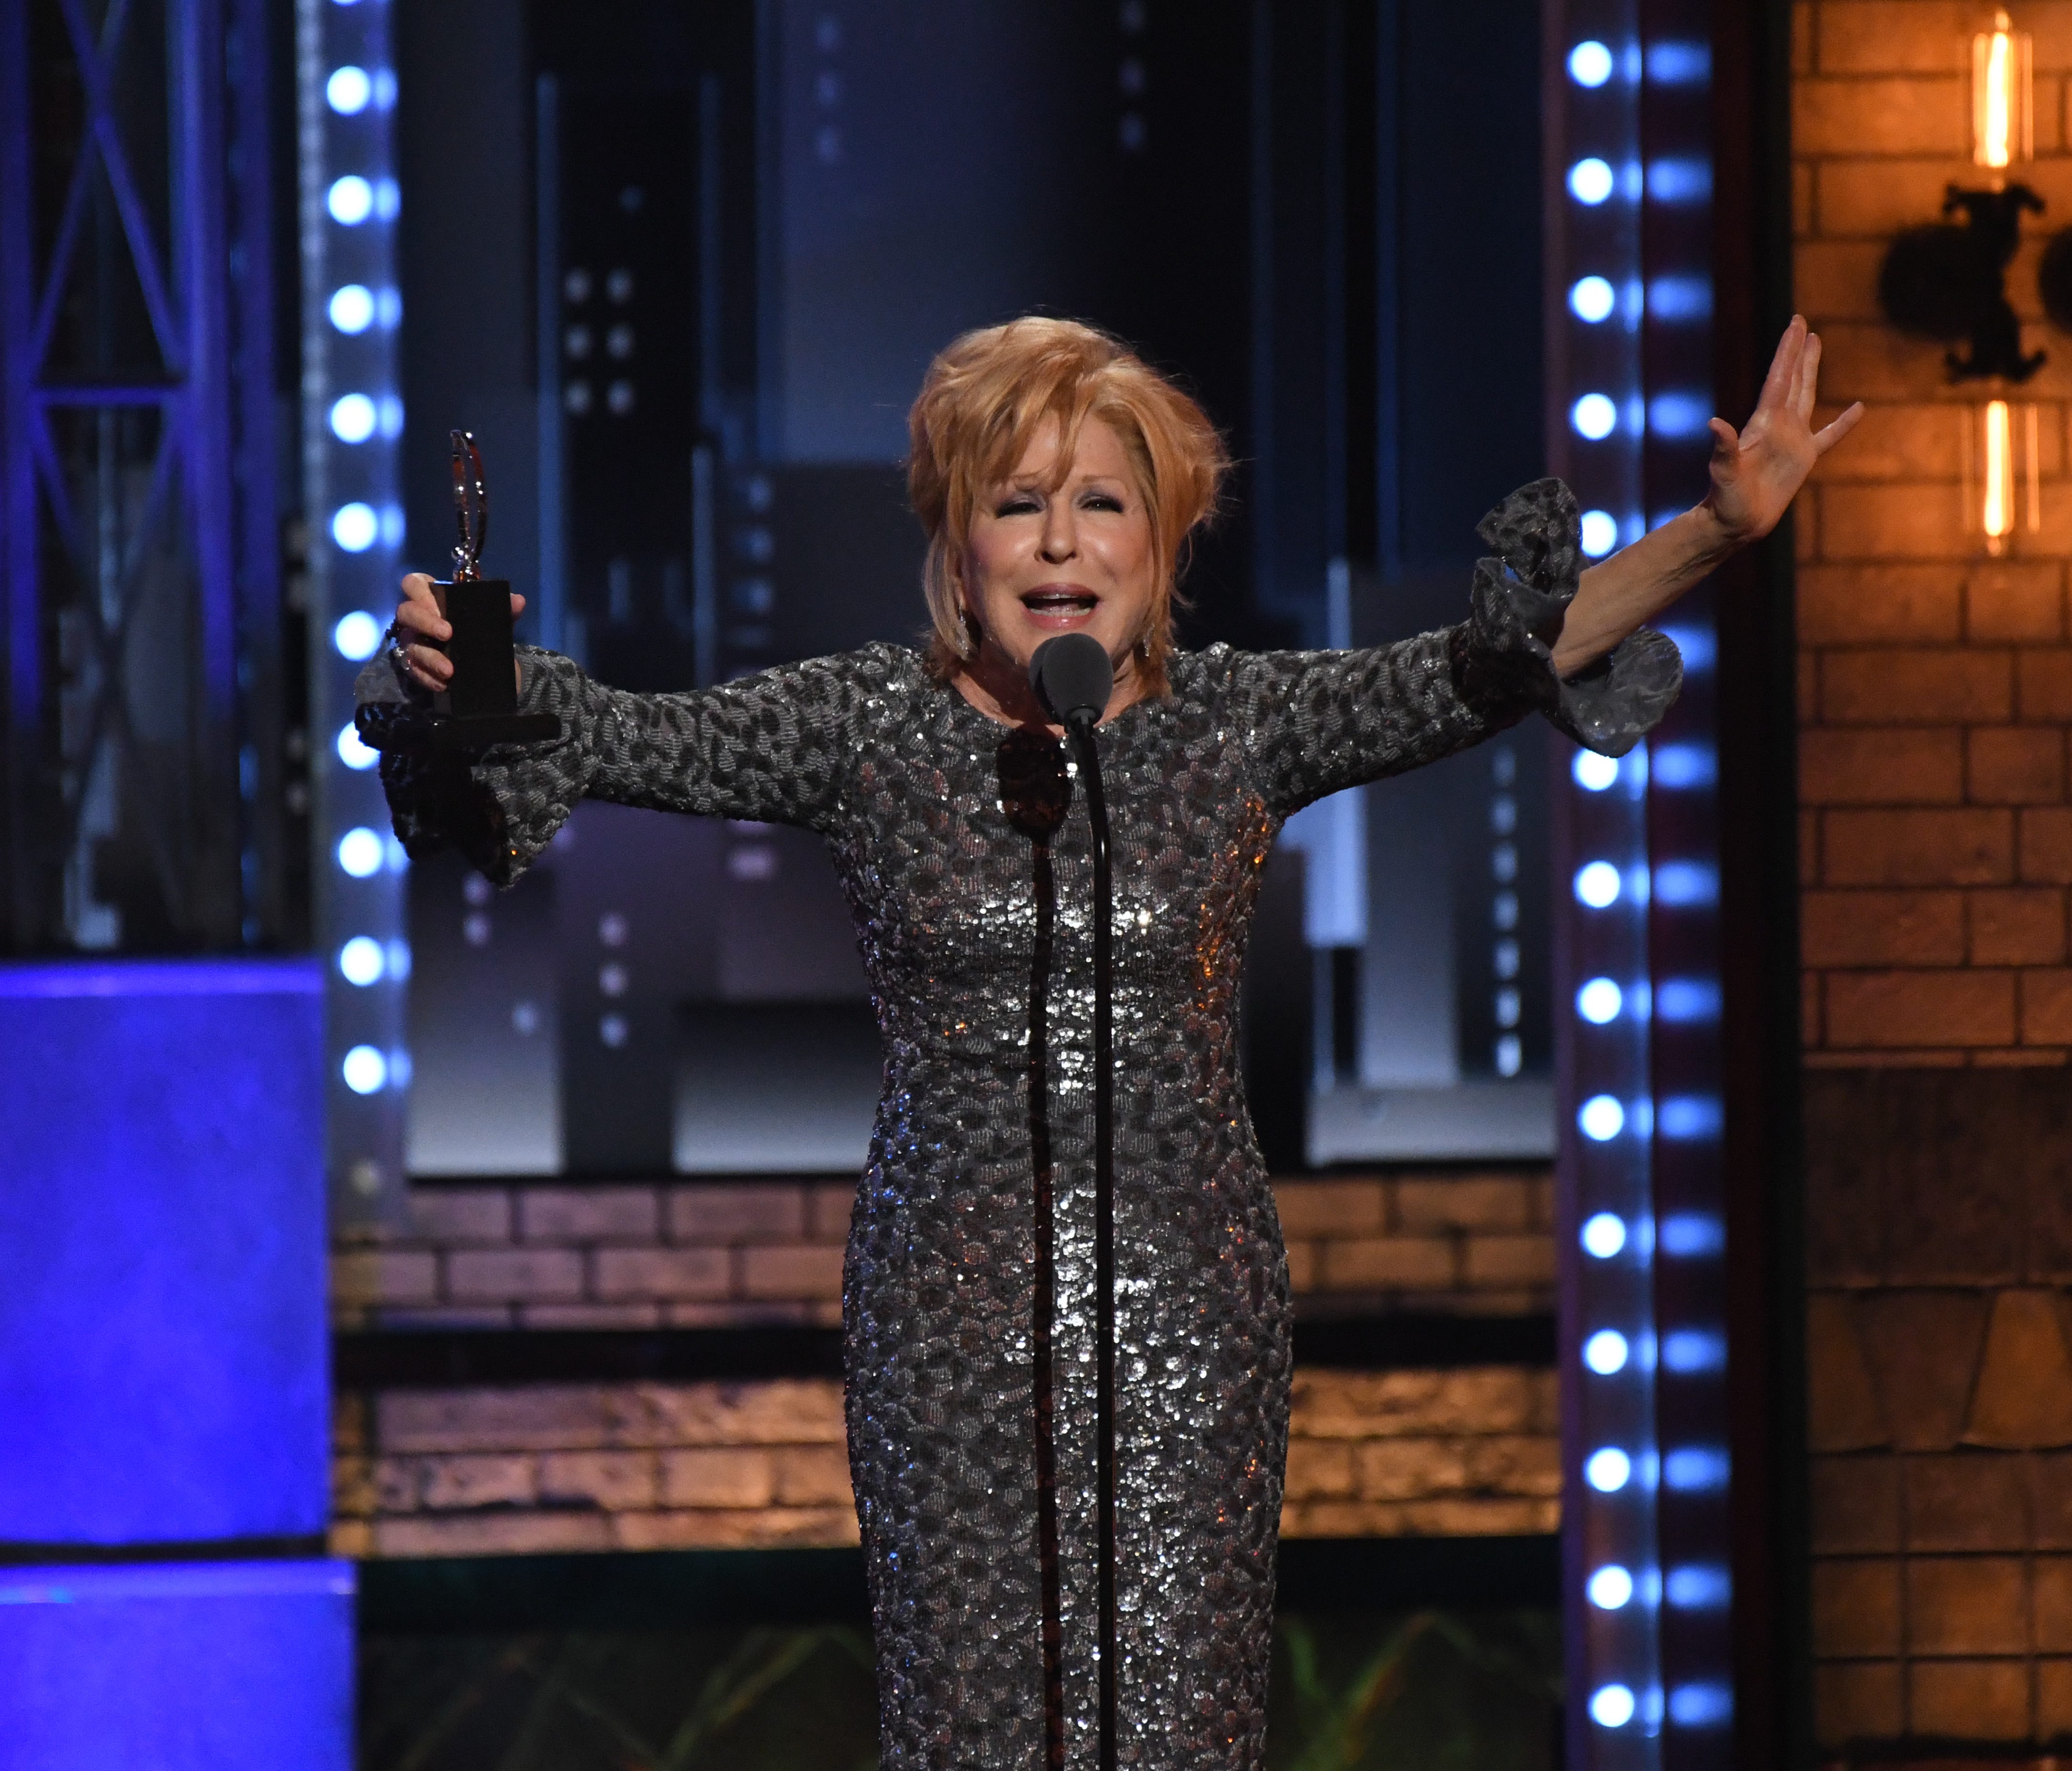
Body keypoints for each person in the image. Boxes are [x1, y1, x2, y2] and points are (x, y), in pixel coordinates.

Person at [359, 314, 1858, 1770]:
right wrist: (467, 676)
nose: (1062, 545)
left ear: (1165, 537)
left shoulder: (1234, 728)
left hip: (1186, 1317)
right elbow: (633, 737)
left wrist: (1717, 533)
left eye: (1101, 503)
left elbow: (1481, 665)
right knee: (973, 1728)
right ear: (961, 545)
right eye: (1018, 507)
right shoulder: (868, 724)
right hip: (948, 1321)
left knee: (1173, 1719)